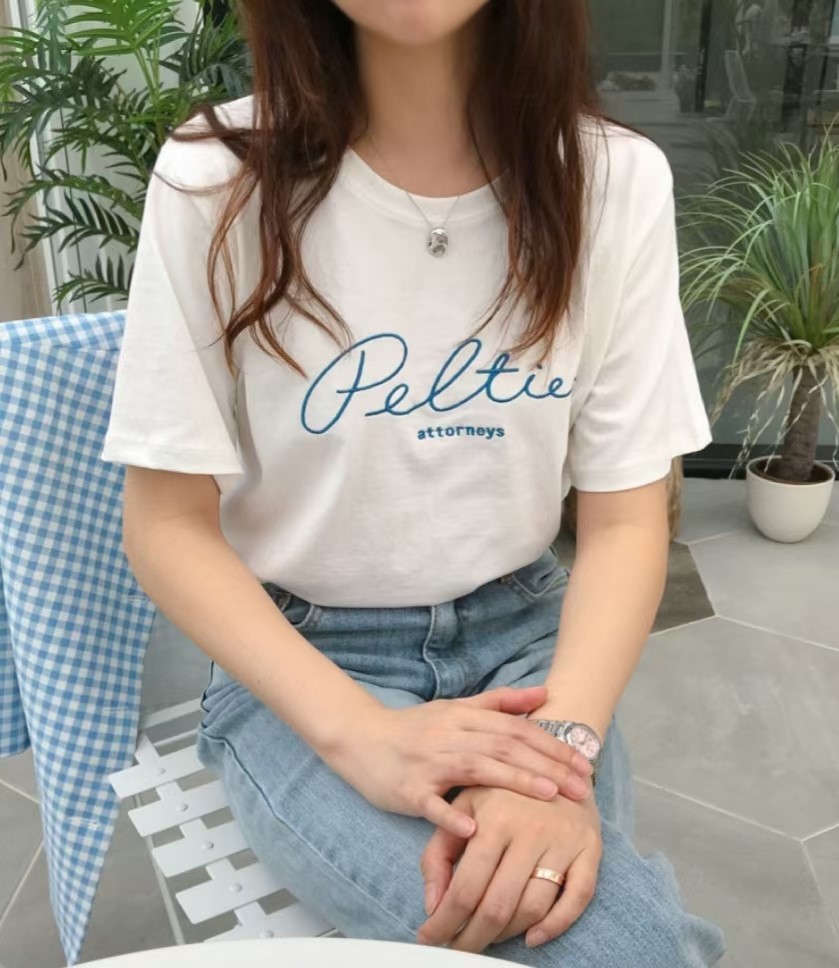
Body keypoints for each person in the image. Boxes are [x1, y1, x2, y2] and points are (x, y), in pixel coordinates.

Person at [101, 2, 727, 965]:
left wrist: (561, 745)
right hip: (306, 664)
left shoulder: (610, 181)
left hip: (532, 650)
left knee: (590, 932)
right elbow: (166, 526)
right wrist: (360, 734)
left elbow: (626, 522)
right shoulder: (216, 179)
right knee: (616, 946)